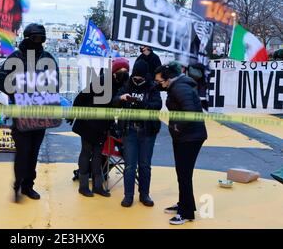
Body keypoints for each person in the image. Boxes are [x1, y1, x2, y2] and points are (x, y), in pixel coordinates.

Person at [0, 23, 59, 202]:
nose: (38, 42)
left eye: (41, 38)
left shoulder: (48, 58)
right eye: (35, 38)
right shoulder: (16, 57)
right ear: (27, 38)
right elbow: (0, 81)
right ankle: (18, 183)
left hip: (40, 113)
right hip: (21, 113)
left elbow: (55, 84)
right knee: (23, 151)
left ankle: (28, 186)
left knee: (33, 153)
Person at [155, 63, 208, 225]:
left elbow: (190, 112)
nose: (159, 84)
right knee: (182, 173)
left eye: (160, 81)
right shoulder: (176, 86)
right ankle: (184, 204)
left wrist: (178, 127)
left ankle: (186, 213)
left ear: (168, 78)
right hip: (184, 136)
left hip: (190, 137)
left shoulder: (180, 88)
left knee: (184, 174)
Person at [71, 57, 130, 198]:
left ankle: (98, 186)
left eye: (126, 71)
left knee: (99, 154)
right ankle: (83, 186)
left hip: (102, 124)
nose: (124, 73)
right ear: (114, 71)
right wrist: (73, 113)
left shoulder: (121, 84)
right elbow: (82, 96)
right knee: (86, 152)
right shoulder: (103, 81)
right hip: (88, 122)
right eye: (121, 70)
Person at [112, 60, 162, 208]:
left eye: (141, 78)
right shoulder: (127, 84)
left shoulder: (152, 87)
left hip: (147, 131)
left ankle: (144, 194)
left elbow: (158, 105)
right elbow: (114, 101)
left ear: (146, 76)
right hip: (129, 130)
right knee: (129, 165)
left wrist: (143, 105)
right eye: (136, 77)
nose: (138, 80)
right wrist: (121, 99)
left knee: (145, 165)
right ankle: (128, 196)